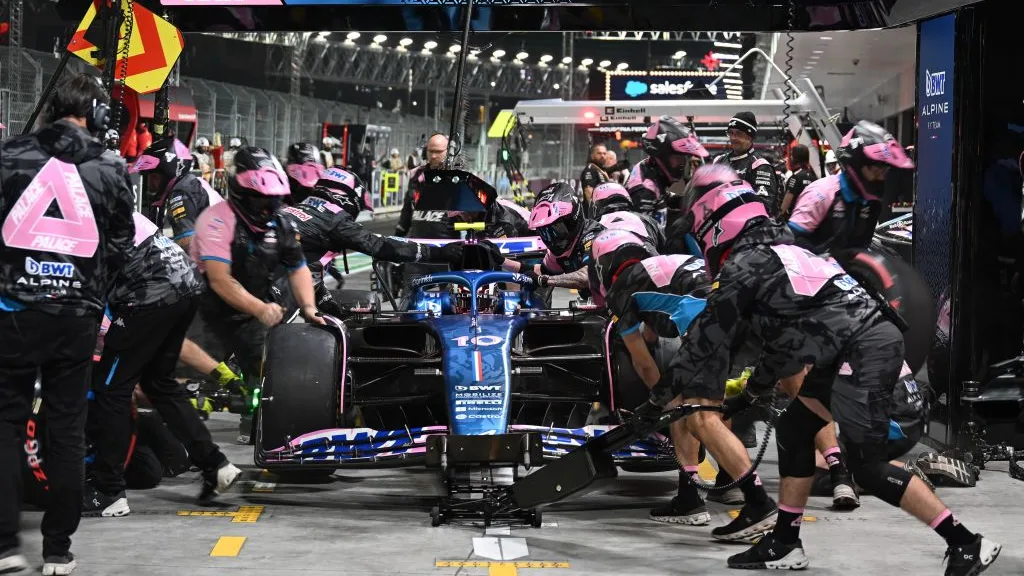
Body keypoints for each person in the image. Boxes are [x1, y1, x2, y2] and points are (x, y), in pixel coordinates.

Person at [637, 164, 1001, 574]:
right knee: (794, 431)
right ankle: (785, 543)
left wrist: (655, 403)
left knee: (868, 467)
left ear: (714, 223)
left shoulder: (744, 266)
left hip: (861, 348)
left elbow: (701, 347)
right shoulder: (782, 250)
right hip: (850, 345)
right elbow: (783, 342)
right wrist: (753, 392)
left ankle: (966, 542)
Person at [0, 72, 135, 576]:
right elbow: (121, 243)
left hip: (14, 309)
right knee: (67, 428)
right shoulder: (110, 165)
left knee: (6, 423)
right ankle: (57, 550)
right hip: (76, 314)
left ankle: (5, 546)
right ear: (96, 114)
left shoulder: (10, 154)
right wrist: (87, 281)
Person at [85, 213, 241, 517]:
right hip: (183, 283)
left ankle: (108, 490)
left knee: (110, 390)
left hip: (147, 292)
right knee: (159, 383)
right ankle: (215, 464)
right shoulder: (99, 197)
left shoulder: (69, 211)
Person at [191, 146, 325, 444]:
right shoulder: (217, 221)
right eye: (261, 200)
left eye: (273, 200)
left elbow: (298, 267)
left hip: (252, 313)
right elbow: (220, 280)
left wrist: (308, 307)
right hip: (206, 312)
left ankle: (263, 429)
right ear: (241, 193)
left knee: (272, 373)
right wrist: (260, 309)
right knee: (182, 376)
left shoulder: (282, 224)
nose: (268, 208)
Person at [591, 232, 719, 525]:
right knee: (712, 404)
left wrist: (661, 403)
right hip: (732, 307)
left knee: (684, 409)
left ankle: (692, 501)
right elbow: (655, 327)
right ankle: (729, 484)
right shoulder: (661, 267)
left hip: (700, 318)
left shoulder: (621, 291)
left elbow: (644, 363)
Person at [275, 166, 480, 314]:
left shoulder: (295, 209)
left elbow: (308, 266)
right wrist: (437, 252)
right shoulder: (334, 219)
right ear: (348, 197)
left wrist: (328, 303)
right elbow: (381, 246)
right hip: (273, 289)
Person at [787, 121, 915, 255]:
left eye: (884, 171)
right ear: (858, 164)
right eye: (877, 171)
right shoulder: (821, 193)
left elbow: (861, 246)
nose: (881, 178)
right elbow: (791, 242)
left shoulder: (871, 202)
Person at [502, 182, 605, 293]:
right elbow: (538, 272)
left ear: (572, 219)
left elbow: (587, 276)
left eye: (557, 229)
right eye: (544, 232)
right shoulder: (561, 252)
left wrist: (544, 280)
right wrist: (501, 260)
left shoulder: (594, 236)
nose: (552, 239)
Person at [131, 138, 222, 250]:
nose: (150, 184)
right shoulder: (191, 183)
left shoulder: (181, 192)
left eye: (153, 177)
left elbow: (187, 244)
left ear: (167, 172)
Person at [626, 116, 710, 218]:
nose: (683, 164)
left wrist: (689, 201)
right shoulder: (644, 190)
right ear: (663, 155)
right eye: (679, 158)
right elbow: (647, 227)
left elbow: (663, 198)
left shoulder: (650, 170)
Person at [712, 111, 782, 215]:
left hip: (746, 222)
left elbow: (763, 206)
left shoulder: (760, 165)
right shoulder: (719, 161)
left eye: (738, 133)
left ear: (750, 136)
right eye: (731, 133)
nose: (733, 138)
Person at [591, 182, 665, 253]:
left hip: (612, 259)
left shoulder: (594, 226)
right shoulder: (648, 220)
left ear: (595, 207)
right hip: (647, 256)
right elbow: (665, 248)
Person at [779, 144, 817, 221]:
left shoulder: (795, 177)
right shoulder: (813, 177)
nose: (790, 158)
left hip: (796, 218)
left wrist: (779, 216)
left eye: (791, 155)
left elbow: (788, 198)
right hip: (810, 217)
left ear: (795, 158)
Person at [579, 142, 610, 216]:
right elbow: (588, 192)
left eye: (604, 153)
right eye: (599, 153)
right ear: (592, 155)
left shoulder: (602, 170)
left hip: (603, 211)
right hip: (594, 215)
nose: (602, 156)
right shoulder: (590, 169)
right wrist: (596, 212)